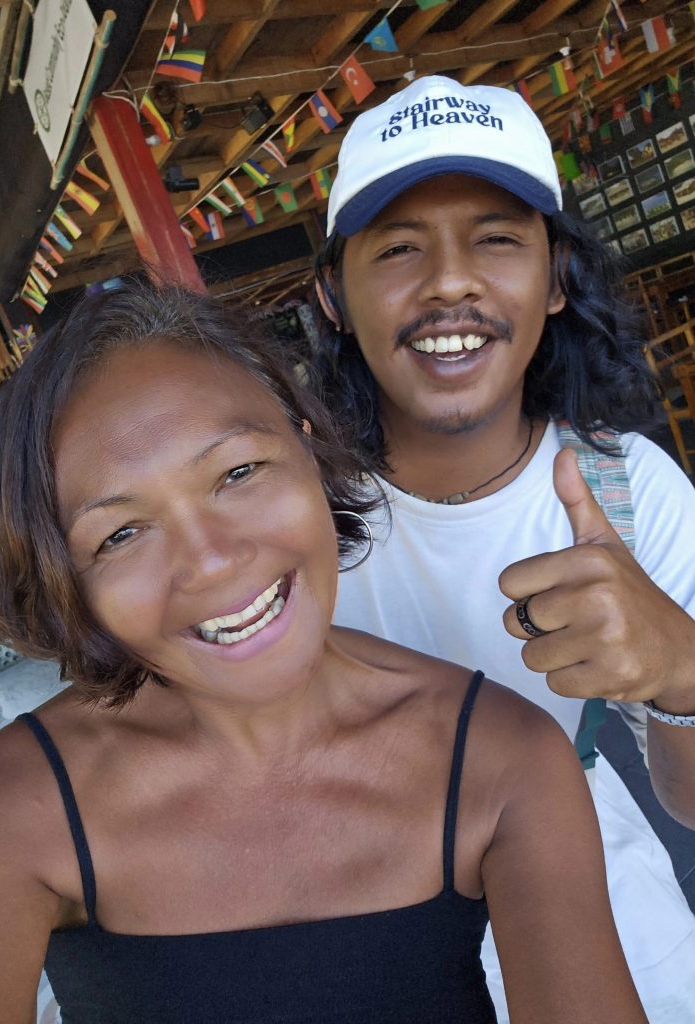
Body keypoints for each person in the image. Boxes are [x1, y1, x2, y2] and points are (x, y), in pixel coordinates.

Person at [0, 284, 646, 1024]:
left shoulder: (506, 755)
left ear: (309, 445)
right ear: (69, 585)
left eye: (238, 473)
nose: (210, 562)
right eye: (121, 535)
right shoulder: (11, 810)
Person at [312, 74, 695, 1022]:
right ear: (333, 297)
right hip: (378, 967)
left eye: (496, 239)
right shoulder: (291, 525)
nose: (450, 283)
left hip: (631, 953)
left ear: (556, 279)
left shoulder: (629, 491)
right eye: (398, 247)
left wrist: (682, 676)